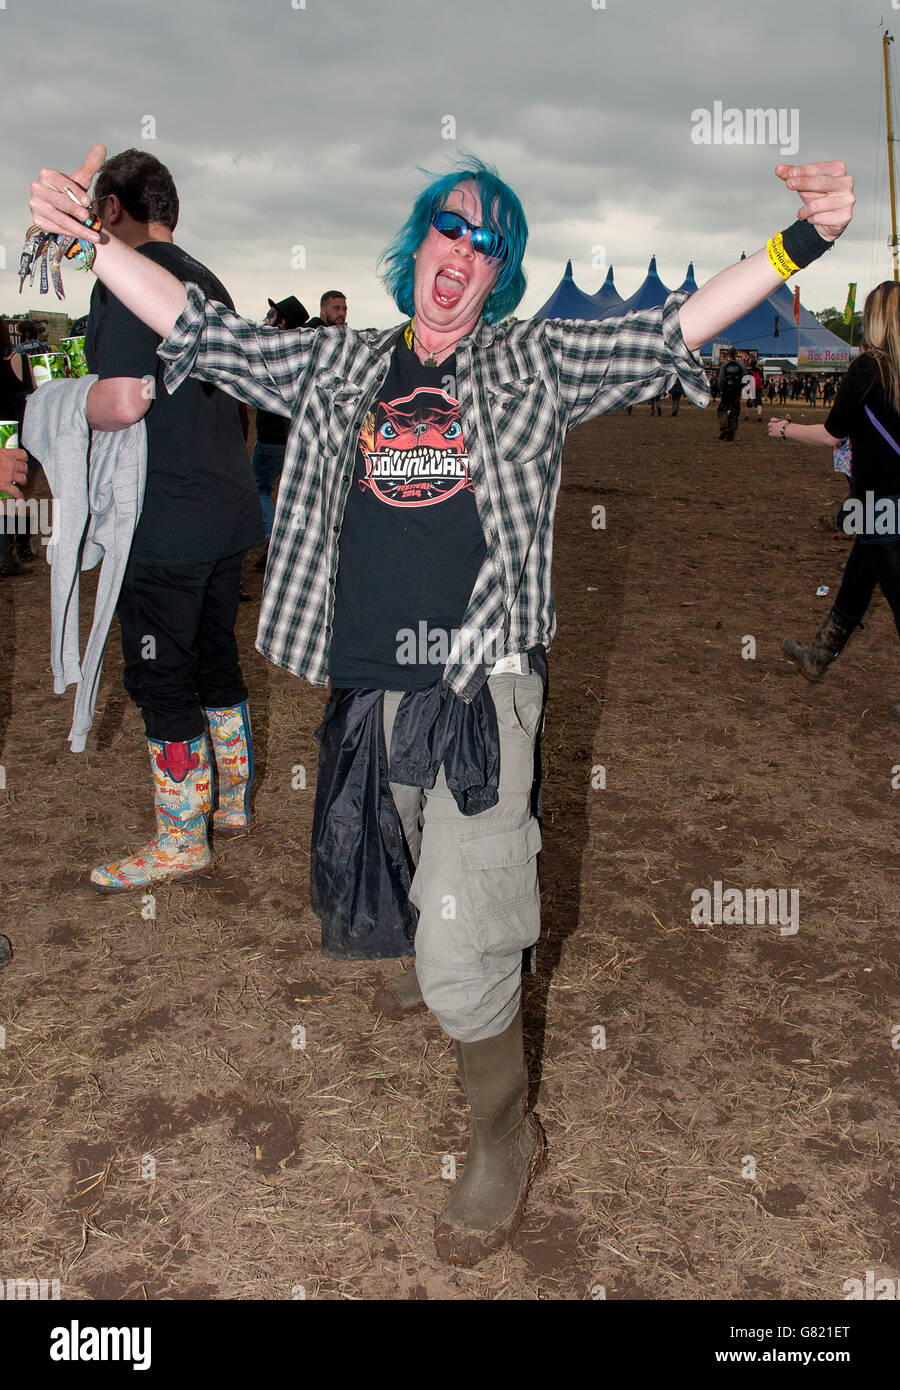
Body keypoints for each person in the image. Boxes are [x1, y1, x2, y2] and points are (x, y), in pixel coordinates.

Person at [29, 143, 854, 1265]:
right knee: (439, 920)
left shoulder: (534, 366)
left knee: (459, 948)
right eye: (448, 228)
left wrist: (806, 240)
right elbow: (192, 325)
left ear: (499, 275)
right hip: (372, 703)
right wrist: (92, 245)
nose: (462, 251)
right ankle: (493, 1029)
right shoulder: (342, 367)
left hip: (483, 694)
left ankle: (503, 1140)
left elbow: (680, 323)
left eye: (488, 241)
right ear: (415, 246)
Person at [77, 149, 264, 890]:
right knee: (215, 658)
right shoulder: (206, 278)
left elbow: (124, 399)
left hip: (166, 518)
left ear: (112, 210)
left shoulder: (126, 279)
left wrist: (50, 408)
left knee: (160, 676)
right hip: (225, 508)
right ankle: (232, 804)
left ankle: (183, 835)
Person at [771, 283, 900, 716]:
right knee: (859, 578)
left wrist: (785, 431)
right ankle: (819, 654)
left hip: (878, 502)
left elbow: (831, 434)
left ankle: (818, 655)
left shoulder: (868, 368)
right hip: (885, 502)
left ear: (873, 319)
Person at [252, 294, 309, 572]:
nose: (266, 319)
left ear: (283, 322)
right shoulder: (302, 348)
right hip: (293, 438)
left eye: (272, 315)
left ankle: (273, 539)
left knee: (259, 487)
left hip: (272, 436)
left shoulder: (272, 349)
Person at [717, 347, 744, 440]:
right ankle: (732, 430)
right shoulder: (742, 366)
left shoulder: (724, 366)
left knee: (722, 409)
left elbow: (720, 379)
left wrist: (721, 389)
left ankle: (724, 428)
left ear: (728, 355)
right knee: (735, 410)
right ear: (736, 355)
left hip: (726, 391)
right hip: (737, 392)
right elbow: (746, 379)